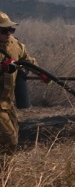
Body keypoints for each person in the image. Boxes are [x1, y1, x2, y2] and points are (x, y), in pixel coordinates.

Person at [0, 11, 36, 155]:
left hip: (7, 103)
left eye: (11, 29)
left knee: (14, 134)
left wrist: (41, 73)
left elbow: (28, 61)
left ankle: (5, 174)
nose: (8, 33)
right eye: (4, 30)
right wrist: (2, 67)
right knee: (10, 140)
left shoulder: (16, 45)